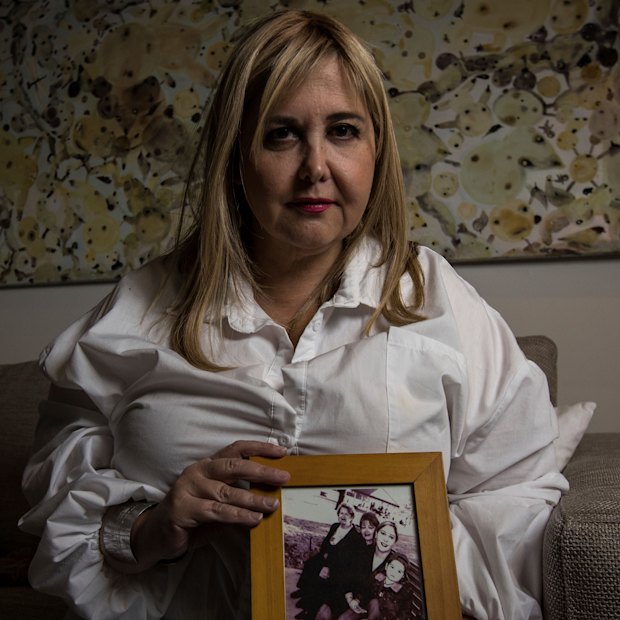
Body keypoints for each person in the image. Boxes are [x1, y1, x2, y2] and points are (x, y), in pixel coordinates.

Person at [19, 8, 567, 620]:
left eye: (343, 131)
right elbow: (56, 498)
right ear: (235, 156)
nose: (316, 168)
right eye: (281, 134)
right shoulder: (137, 311)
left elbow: (519, 490)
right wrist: (151, 527)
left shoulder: (436, 299)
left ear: (376, 148)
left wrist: (411, 567)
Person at [293, 503, 364, 620]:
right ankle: (304, 593)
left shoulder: (355, 535)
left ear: (352, 516)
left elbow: (346, 558)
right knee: (311, 563)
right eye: (341, 513)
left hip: (339, 566)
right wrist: (324, 558)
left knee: (322, 579)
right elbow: (325, 543)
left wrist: (327, 566)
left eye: (347, 514)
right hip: (327, 558)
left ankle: (310, 610)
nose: (343, 516)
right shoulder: (335, 526)